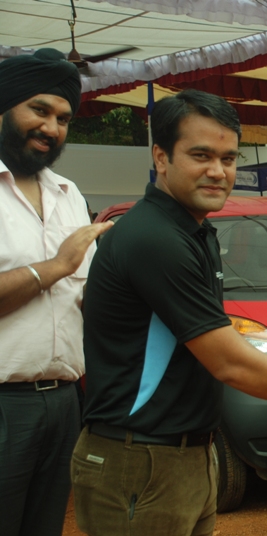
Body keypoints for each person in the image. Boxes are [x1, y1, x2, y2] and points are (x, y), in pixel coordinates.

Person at [73, 89, 267, 536]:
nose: (218, 171)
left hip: (185, 456)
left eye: (228, 158)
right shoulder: (154, 239)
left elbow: (205, 345)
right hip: (141, 459)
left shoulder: (194, 232)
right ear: (161, 157)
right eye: (201, 155)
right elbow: (228, 362)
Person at [0, 48, 114, 536]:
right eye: (39, 110)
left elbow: (83, 296)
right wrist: (58, 266)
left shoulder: (69, 194)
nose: (51, 128)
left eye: (64, 119)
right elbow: (65, 269)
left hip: (65, 402)